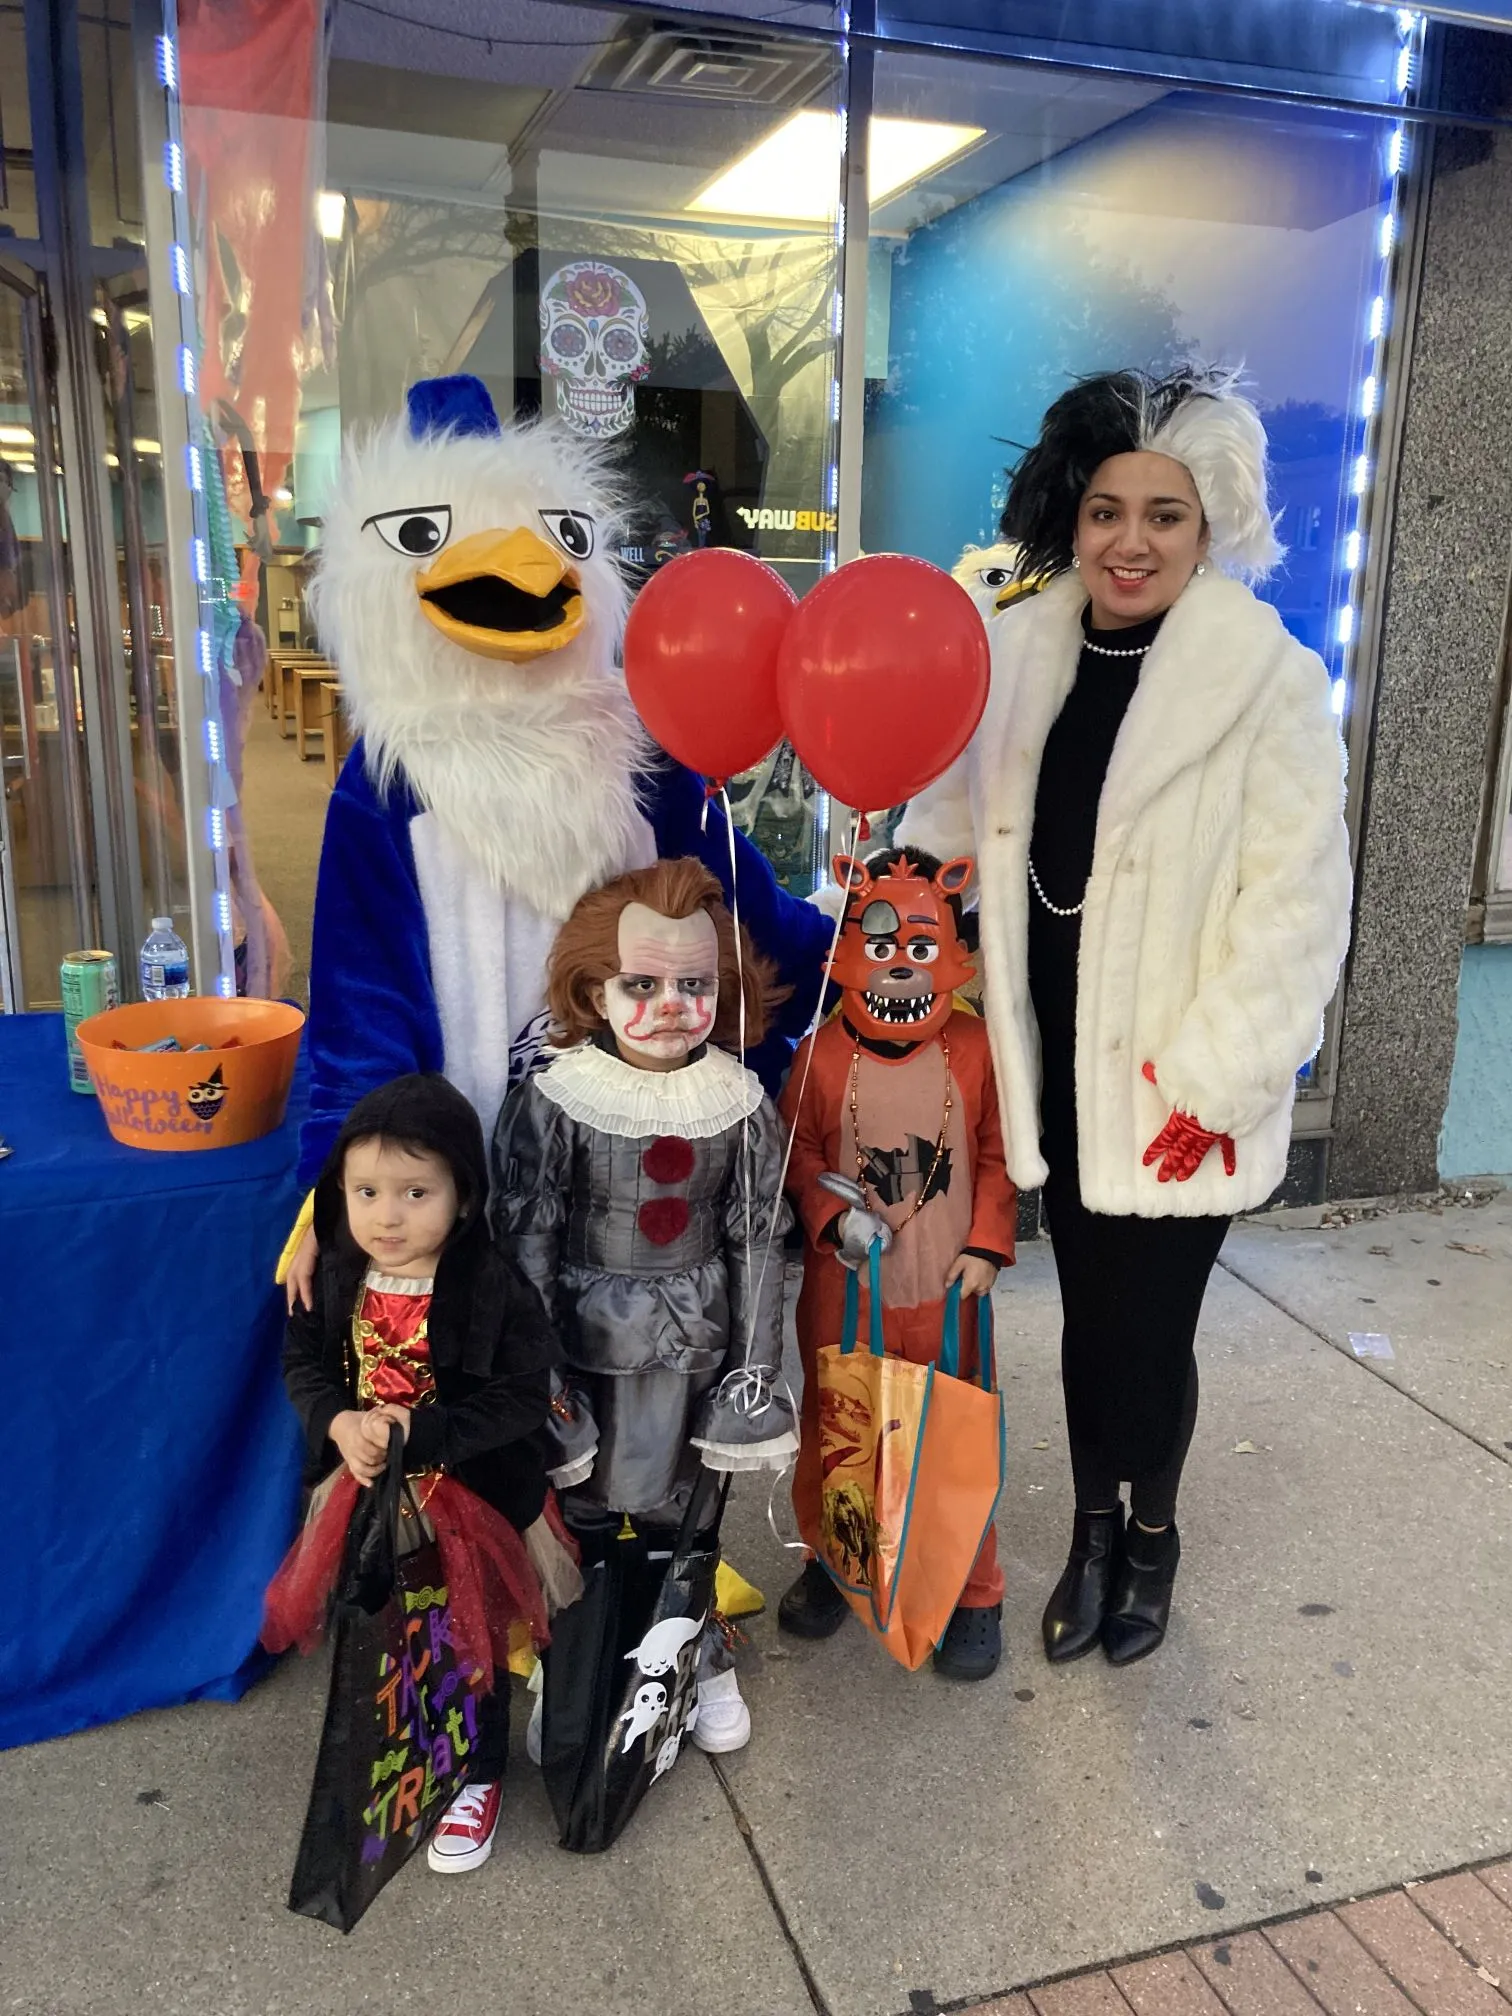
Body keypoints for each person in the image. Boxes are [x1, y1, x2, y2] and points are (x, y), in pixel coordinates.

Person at [898, 366, 1352, 1665]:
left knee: (1150, 1332)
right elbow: (946, 830)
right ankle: (1093, 1530)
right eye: (1107, 511)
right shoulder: (1017, 656)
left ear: (1210, 529)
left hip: (1174, 1085)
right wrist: (892, 903)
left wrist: (1218, 1077)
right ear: (1074, 520)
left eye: (1165, 514)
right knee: (1088, 1318)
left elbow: (1297, 907)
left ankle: (1153, 1536)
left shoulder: (1268, 681)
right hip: (1050, 1067)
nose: (1130, 541)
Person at [491, 858, 794, 1757]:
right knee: (579, 1506)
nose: (672, 1005)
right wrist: (540, 1375)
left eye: (695, 985)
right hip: (584, 1343)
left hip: (700, 1342)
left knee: (688, 1508)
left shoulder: (739, 1102)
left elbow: (757, 1242)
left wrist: (753, 1370)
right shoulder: (556, 1101)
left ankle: (694, 1650)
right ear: (596, 989)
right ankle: (573, 1664)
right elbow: (526, 1240)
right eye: (642, 984)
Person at [266, 1073, 577, 1874]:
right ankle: (420, 1742)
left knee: (476, 1637)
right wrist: (340, 1423)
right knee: (404, 1631)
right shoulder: (336, 1272)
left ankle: (481, 1773)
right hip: (371, 1495)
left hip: (474, 1500)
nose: (388, 1216)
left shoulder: (489, 1285)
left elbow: (521, 1396)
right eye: (366, 1192)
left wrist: (426, 1430)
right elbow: (304, 1364)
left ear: (463, 1197)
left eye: (415, 1193)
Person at [776, 847, 1017, 1679]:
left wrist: (987, 1243)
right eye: (881, 946)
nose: (900, 968)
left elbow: (999, 1154)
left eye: (919, 947)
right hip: (847, 1295)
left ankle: (975, 1589)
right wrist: (829, 1215)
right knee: (843, 1432)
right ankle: (839, 1563)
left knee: (955, 1433)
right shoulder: (816, 1057)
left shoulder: (979, 1049)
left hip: (949, 1291)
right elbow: (799, 1157)